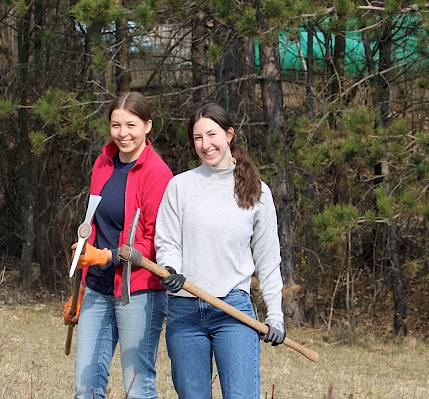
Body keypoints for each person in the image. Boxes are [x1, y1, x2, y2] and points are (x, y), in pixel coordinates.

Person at [154, 103, 286, 399]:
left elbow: (268, 259)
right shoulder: (180, 186)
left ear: (229, 134)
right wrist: (171, 269)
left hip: (234, 312)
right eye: (197, 138)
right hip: (184, 311)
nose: (205, 144)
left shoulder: (258, 192)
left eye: (211, 134)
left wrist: (275, 315)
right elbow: (168, 242)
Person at [63, 92, 173, 399]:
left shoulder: (157, 173)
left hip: (137, 292)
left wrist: (108, 256)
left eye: (131, 125)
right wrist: (82, 282)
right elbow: (93, 223)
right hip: (97, 288)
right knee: (86, 386)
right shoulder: (104, 162)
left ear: (148, 126)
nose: (123, 133)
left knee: (137, 387)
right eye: (116, 125)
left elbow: (155, 240)